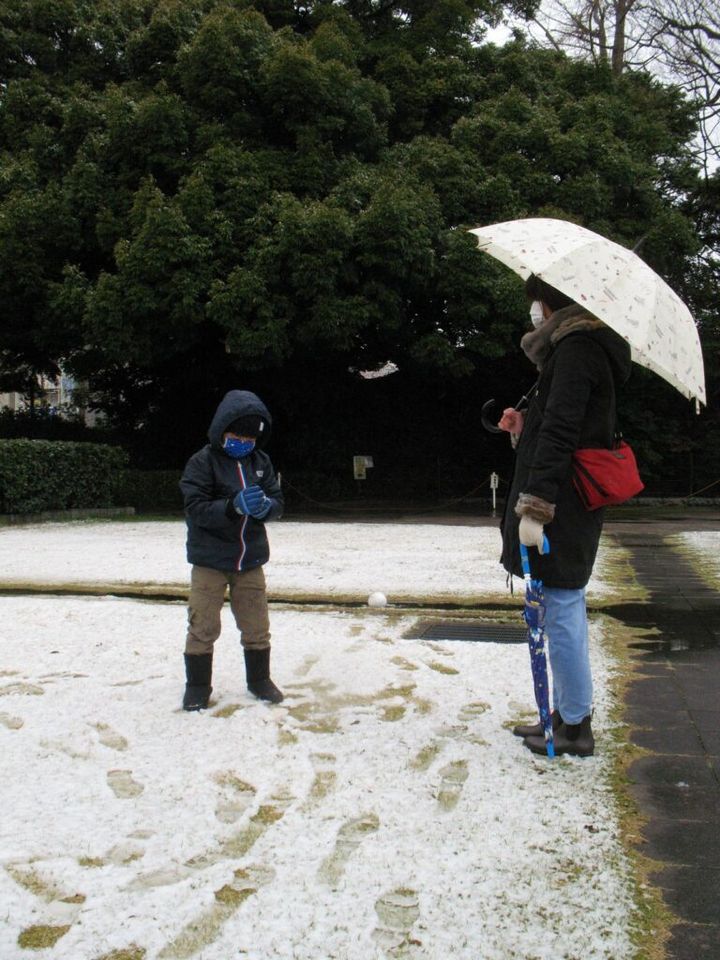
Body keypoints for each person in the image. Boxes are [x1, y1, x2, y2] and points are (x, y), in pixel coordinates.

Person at [499, 275, 631, 757]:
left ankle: (575, 725)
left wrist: (535, 507)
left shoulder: (577, 350)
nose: (534, 310)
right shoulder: (573, 348)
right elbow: (560, 426)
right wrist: (523, 423)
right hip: (567, 500)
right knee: (560, 611)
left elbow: (561, 435)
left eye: (537, 300)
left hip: (564, 506)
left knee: (563, 611)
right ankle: (564, 715)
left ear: (553, 302)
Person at [179, 389, 285, 711]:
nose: (243, 441)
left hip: (249, 559)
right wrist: (232, 507)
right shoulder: (202, 462)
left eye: (250, 437)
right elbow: (195, 508)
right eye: (237, 435)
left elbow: (278, 501)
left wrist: (268, 508)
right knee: (203, 625)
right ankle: (197, 686)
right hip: (210, 562)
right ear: (221, 430)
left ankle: (259, 680)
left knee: (256, 625)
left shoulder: (261, 462)